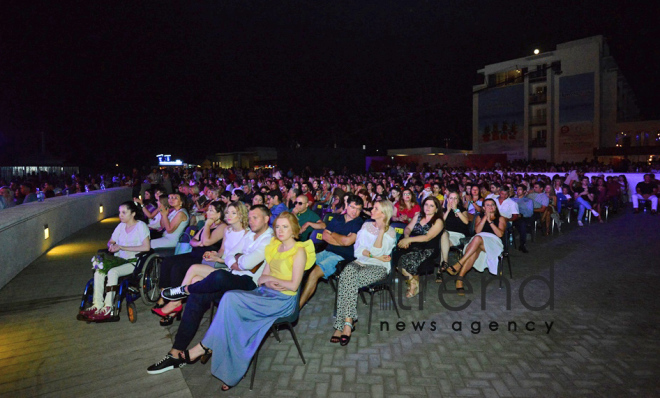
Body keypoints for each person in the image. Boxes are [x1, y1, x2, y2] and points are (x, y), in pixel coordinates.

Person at [177, 212, 315, 390]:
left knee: (232, 305)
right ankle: (208, 349)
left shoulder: (299, 251)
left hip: (282, 302)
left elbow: (294, 285)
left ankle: (206, 348)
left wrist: (272, 282)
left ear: (294, 229)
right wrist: (271, 282)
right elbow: (261, 278)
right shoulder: (274, 245)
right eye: (278, 226)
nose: (280, 231)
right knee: (230, 300)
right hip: (265, 293)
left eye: (285, 227)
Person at [147, 205, 274, 374]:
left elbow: (246, 264)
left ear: (267, 219)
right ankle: (176, 352)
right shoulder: (251, 234)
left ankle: (185, 290)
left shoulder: (268, 239)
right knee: (198, 295)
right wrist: (235, 259)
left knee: (218, 276)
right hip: (233, 276)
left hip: (249, 284)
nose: (251, 221)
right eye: (250, 218)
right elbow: (234, 258)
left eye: (255, 218)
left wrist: (235, 259)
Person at [331, 200, 396, 345]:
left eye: (375, 208)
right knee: (347, 275)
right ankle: (348, 321)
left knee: (346, 279)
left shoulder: (390, 232)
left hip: (379, 268)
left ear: (384, 214)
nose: (371, 210)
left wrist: (380, 231)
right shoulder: (366, 226)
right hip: (360, 261)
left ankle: (342, 325)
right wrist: (374, 255)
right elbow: (358, 251)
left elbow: (379, 252)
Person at [79, 201, 150, 321]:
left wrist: (121, 247)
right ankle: (97, 305)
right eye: (119, 212)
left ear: (133, 213)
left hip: (134, 262)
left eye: (124, 212)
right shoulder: (121, 226)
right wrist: (111, 245)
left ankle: (108, 307)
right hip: (118, 260)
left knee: (112, 272)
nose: (120, 215)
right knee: (99, 270)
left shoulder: (141, 226)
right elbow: (111, 241)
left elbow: (146, 247)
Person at [152, 202, 227, 313]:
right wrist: (198, 243)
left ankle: (176, 303)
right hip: (194, 252)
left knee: (177, 268)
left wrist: (206, 227)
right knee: (167, 261)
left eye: (211, 210)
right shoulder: (210, 224)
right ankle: (164, 297)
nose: (207, 212)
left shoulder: (222, 227)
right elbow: (193, 240)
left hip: (204, 258)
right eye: (208, 210)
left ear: (219, 214)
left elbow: (206, 241)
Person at [299, 196, 364, 308]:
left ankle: (297, 307)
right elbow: (325, 235)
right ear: (347, 206)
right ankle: (292, 299)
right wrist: (341, 240)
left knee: (314, 272)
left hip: (342, 258)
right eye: (352, 207)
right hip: (327, 251)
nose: (355, 211)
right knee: (300, 264)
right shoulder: (337, 218)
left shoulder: (358, 223)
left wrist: (333, 234)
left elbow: (348, 242)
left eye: (358, 209)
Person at [444, 198, 506, 295]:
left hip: (494, 242)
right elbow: (478, 231)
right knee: (475, 249)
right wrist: (485, 218)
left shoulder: (501, 218)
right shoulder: (479, 217)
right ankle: (459, 280)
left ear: (495, 207)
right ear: (484, 208)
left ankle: (459, 264)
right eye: (488, 205)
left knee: (477, 239)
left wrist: (490, 222)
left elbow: (500, 234)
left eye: (492, 205)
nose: (490, 207)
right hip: (479, 241)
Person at [392, 196, 444, 298]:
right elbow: (407, 228)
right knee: (395, 255)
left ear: (436, 209)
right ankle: (413, 282)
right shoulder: (419, 216)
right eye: (426, 204)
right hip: (414, 243)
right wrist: (406, 237)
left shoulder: (438, 221)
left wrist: (409, 240)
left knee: (407, 259)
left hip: (428, 248)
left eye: (431, 205)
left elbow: (427, 237)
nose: (428, 207)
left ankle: (413, 285)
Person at [439, 191, 469, 282]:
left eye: (455, 198)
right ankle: (445, 263)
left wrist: (456, 210)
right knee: (443, 235)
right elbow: (440, 224)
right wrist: (448, 210)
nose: (453, 200)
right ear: (447, 200)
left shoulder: (462, 210)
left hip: (457, 235)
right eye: (451, 198)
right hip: (445, 233)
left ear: (458, 200)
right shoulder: (443, 210)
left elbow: (466, 222)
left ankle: (440, 270)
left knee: (443, 242)